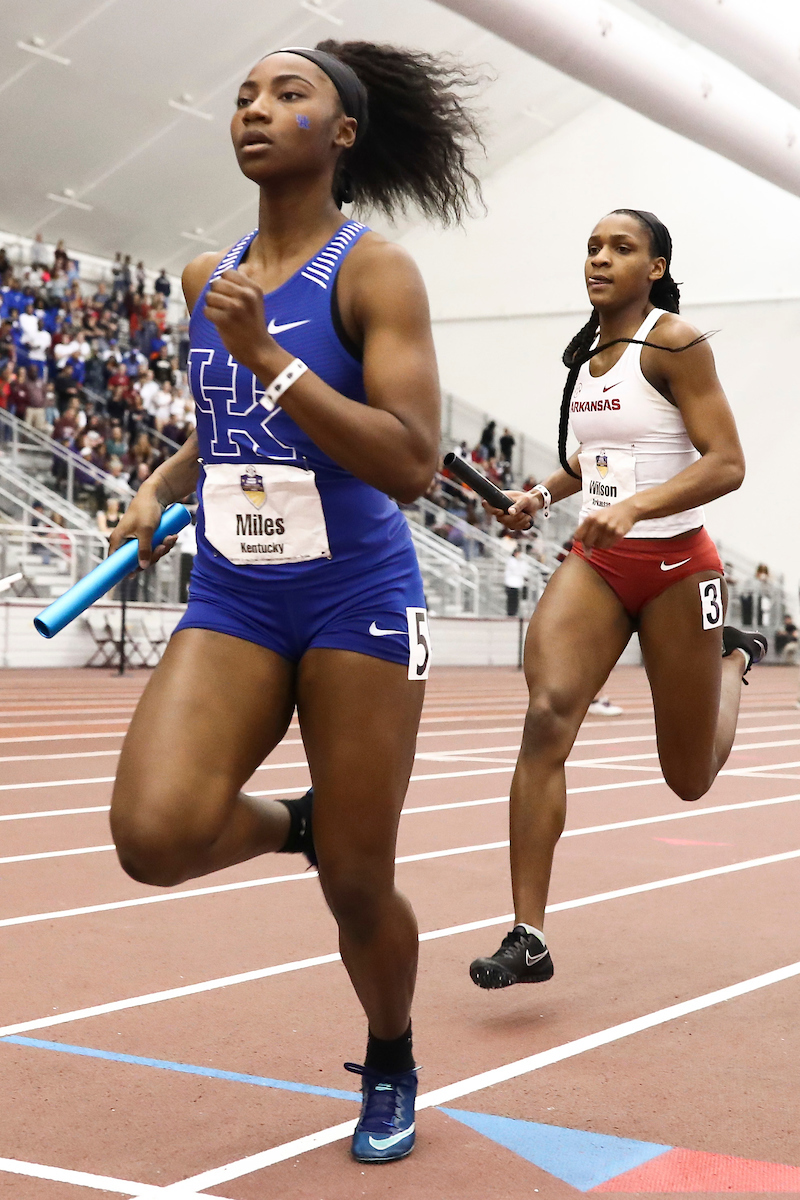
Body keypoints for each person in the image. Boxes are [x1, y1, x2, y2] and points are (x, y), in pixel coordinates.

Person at [107, 40, 482, 1164]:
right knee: (153, 836)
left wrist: (268, 351)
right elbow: (223, 425)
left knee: (361, 886)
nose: (256, 110)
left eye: (288, 94)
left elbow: (410, 461)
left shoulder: (375, 273)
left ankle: (391, 1054)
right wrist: (159, 486)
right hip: (236, 592)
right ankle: (296, 824)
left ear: (342, 133)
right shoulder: (203, 277)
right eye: (243, 97)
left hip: (358, 598)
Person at [469, 208, 767, 991]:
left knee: (688, 778)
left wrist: (636, 508)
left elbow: (728, 462)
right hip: (599, 564)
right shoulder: (591, 352)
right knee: (545, 714)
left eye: (621, 248)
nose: (600, 259)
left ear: (656, 268)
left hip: (679, 568)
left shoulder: (676, 343)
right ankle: (529, 935)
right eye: (593, 247)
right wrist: (538, 495)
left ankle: (732, 661)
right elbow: (592, 458)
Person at [504, 544, 528, 617]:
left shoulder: (520, 561)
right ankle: (510, 613)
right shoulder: (511, 561)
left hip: (517, 583)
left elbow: (524, 570)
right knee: (511, 600)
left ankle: (514, 612)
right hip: (511, 583)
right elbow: (516, 570)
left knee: (516, 600)